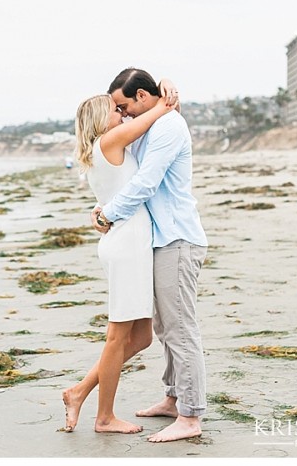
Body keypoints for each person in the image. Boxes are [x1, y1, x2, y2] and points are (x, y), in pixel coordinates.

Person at [93, 68, 208, 443]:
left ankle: (190, 416)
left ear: (143, 97)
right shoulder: (150, 123)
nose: (122, 114)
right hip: (160, 240)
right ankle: (173, 398)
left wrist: (110, 213)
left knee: (180, 328)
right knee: (163, 328)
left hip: (177, 238)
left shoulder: (168, 127)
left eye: (124, 106)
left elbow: (147, 182)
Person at [62, 79, 178, 434]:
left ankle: (80, 391)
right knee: (117, 336)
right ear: (102, 120)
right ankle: (104, 417)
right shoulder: (108, 141)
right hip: (126, 247)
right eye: (116, 110)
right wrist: (165, 95)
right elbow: (157, 113)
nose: (123, 112)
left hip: (130, 244)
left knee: (141, 338)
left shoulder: (105, 147)